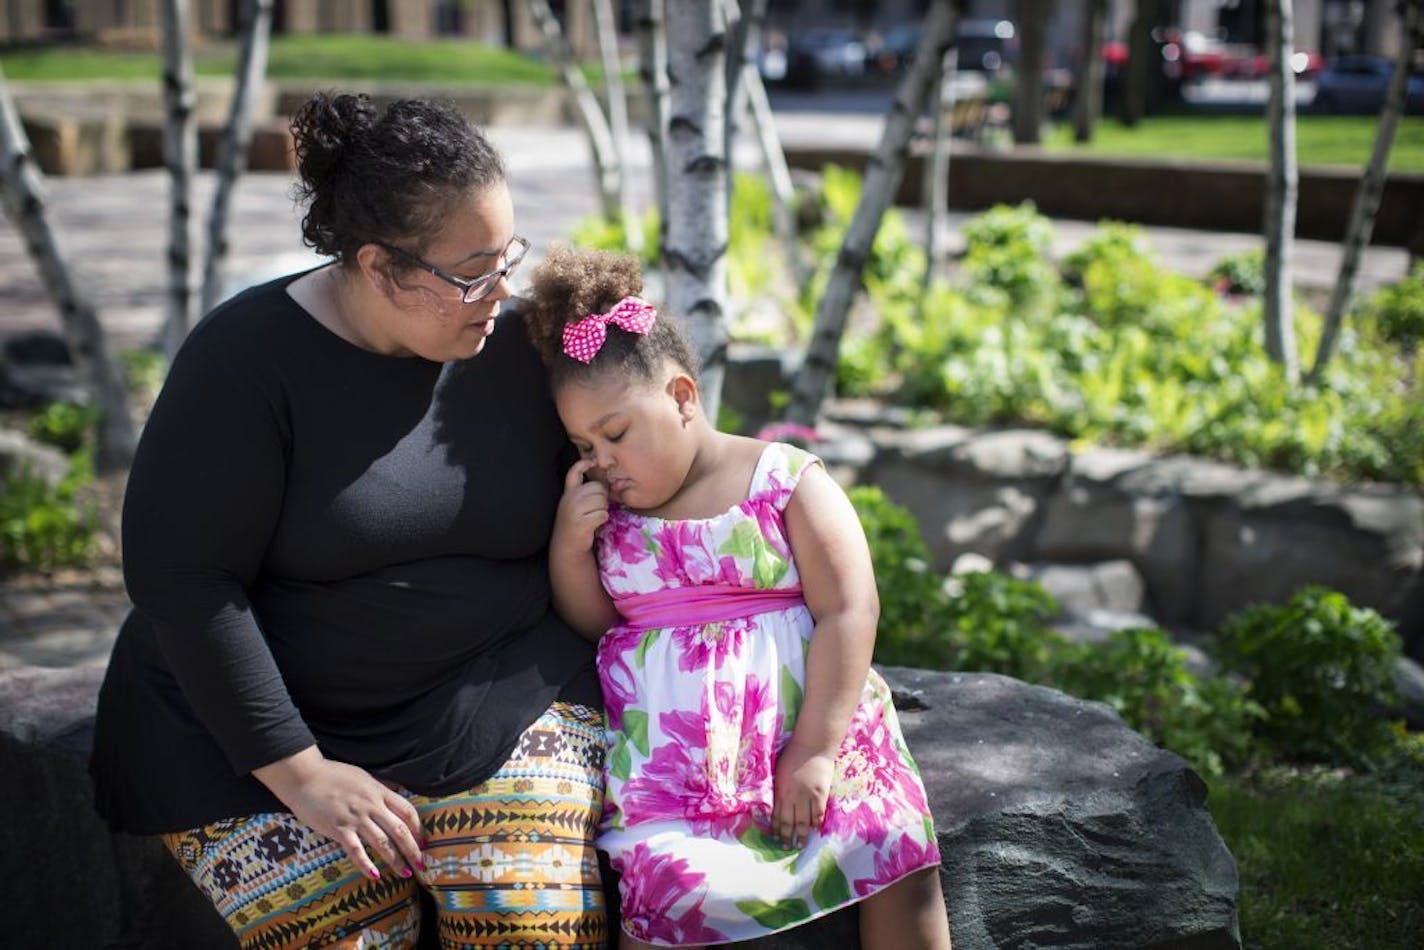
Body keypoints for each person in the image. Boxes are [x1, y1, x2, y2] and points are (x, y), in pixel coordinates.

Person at [88, 93, 609, 949]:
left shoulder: (514, 346)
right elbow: (183, 580)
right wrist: (300, 774)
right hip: (255, 738)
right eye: (471, 271)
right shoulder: (242, 362)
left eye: (506, 255)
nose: (502, 291)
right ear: (378, 265)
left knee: (528, 929)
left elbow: (659, 445)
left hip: (497, 696)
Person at [520, 246, 953, 949]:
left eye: (616, 434)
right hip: (676, 772)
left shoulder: (781, 480)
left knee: (890, 841)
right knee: (661, 887)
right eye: (581, 444)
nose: (600, 461)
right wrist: (569, 547)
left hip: (802, 735)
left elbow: (850, 606)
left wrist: (815, 749)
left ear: (684, 397)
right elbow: (598, 623)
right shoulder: (616, 518)